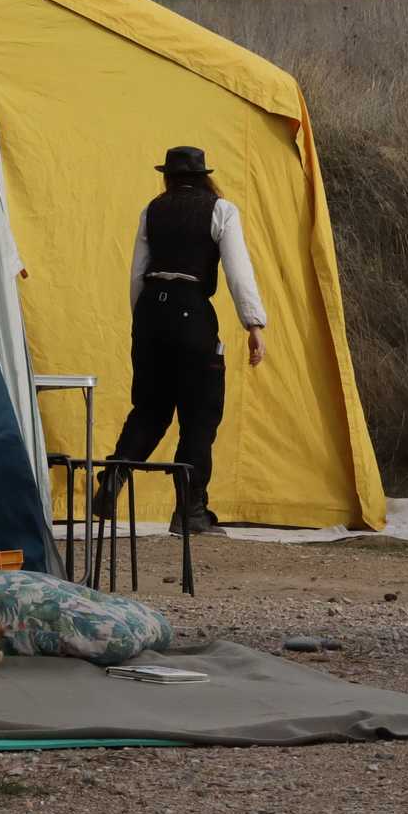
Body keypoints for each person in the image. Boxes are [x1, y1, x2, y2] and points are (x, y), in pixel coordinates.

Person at [94, 146, 267, 534]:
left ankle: (113, 478)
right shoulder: (221, 210)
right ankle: (189, 512)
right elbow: (239, 272)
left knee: (150, 408)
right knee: (199, 415)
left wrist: (144, 322)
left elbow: (138, 274)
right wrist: (253, 324)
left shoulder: (152, 211)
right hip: (191, 313)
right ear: (205, 175)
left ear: (168, 177)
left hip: (151, 313)